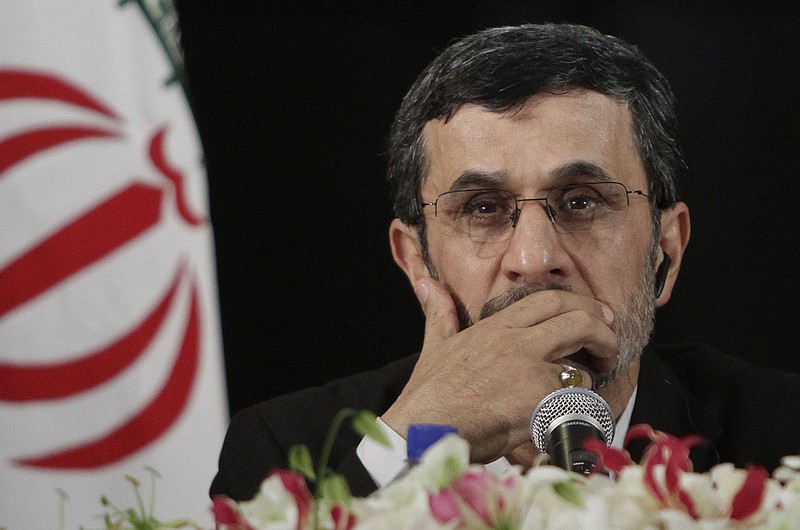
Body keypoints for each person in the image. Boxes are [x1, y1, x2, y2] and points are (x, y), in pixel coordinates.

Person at [210, 22, 800, 501]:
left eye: (581, 201)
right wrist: (420, 441)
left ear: (665, 254)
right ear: (417, 263)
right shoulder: (280, 451)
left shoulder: (782, 434)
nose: (535, 259)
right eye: (484, 208)